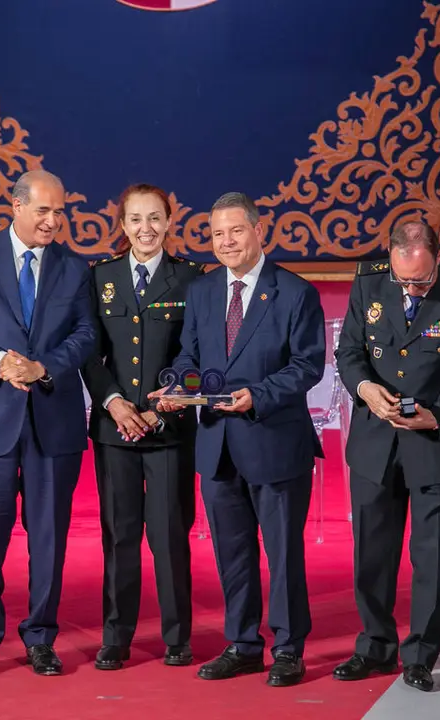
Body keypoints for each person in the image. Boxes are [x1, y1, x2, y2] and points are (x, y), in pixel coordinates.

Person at [150, 191, 325, 687]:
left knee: (284, 553)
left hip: (273, 441)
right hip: (216, 444)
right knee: (233, 552)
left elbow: (307, 365)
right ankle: (243, 644)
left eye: (235, 231)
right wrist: (177, 388)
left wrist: (258, 395)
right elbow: (190, 358)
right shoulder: (204, 291)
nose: (226, 242)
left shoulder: (294, 292)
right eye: (217, 234)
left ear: (257, 230)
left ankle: (289, 648)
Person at [0, 169, 96, 678]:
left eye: (60, 212)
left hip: (54, 417)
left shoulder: (76, 267)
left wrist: (42, 366)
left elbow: (86, 333)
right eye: (44, 211)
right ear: (16, 206)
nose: (53, 221)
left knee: (48, 536)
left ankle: (41, 638)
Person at [332, 219, 440, 691]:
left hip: (433, 442)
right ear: (392, 257)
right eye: (404, 281)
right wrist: (364, 388)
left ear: (438, 259)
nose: (412, 289)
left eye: (421, 280)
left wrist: (437, 414)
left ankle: (419, 656)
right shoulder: (370, 279)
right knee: (372, 554)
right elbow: (349, 351)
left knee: (433, 556)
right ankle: (375, 646)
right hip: (375, 441)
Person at [81, 184, 203, 670]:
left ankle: (177, 636)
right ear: (123, 224)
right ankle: (116, 636)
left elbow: (197, 355)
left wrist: (160, 409)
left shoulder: (192, 279)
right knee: (119, 534)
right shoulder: (100, 277)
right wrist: (113, 403)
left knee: (170, 534)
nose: (145, 229)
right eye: (135, 219)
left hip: (168, 429)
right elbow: (88, 351)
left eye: (155, 219)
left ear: (170, 222)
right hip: (115, 429)